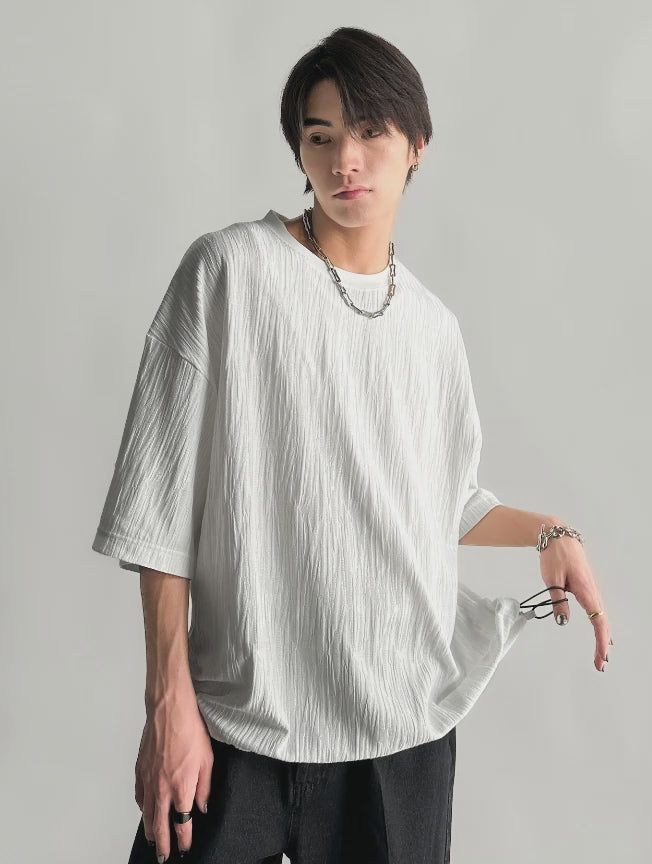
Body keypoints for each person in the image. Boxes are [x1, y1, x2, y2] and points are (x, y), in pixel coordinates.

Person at [91, 26, 612, 864]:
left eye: (371, 132)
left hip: (400, 737)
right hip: (235, 726)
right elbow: (159, 507)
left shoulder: (433, 330)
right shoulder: (229, 271)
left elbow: (443, 501)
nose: (346, 161)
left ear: (418, 146)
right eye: (321, 136)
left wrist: (552, 531)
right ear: (299, 151)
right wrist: (168, 702)